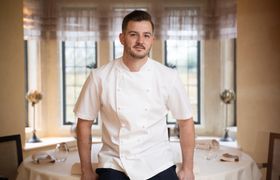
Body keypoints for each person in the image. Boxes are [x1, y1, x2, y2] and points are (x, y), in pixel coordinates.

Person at [74, 10, 195, 180]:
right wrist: (86, 170)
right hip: (114, 162)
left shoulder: (168, 76)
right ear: (122, 38)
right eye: (133, 35)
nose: (140, 41)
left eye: (146, 35)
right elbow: (83, 124)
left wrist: (188, 168)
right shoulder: (99, 77)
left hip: (157, 162)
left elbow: (186, 121)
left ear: (152, 39)